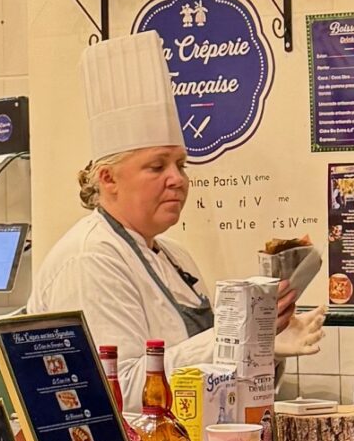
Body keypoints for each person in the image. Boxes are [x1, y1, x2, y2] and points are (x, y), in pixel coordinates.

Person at [32, 31, 323, 412]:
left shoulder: (176, 258)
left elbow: (221, 389)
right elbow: (119, 395)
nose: (178, 179)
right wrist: (235, 338)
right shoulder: (90, 260)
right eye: (157, 166)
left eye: (180, 165)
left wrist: (263, 347)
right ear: (108, 179)